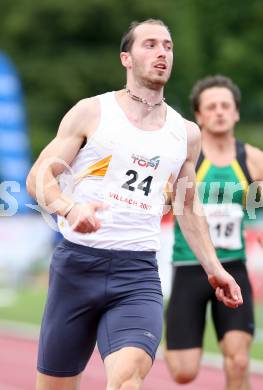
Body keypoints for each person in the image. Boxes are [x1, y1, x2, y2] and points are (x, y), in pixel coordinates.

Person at [26, 21, 242, 390]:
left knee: (128, 380)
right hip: (77, 268)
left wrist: (214, 266)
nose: (162, 52)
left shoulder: (185, 133)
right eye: (151, 45)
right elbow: (37, 179)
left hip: (136, 273)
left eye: (168, 46)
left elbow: (188, 206)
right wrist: (69, 207)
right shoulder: (91, 113)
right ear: (126, 58)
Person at [165, 75, 263, 389]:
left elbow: (257, 212)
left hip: (234, 268)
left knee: (239, 360)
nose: (219, 112)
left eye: (226, 106)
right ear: (199, 116)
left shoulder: (254, 161)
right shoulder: (183, 160)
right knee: (184, 372)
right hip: (189, 269)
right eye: (212, 107)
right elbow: (168, 205)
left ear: (235, 113)